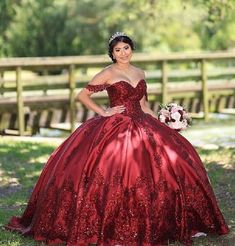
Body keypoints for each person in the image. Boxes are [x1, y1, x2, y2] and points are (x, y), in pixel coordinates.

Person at [5, 32, 229, 246]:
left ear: (132, 49)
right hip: (116, 125)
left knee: (174, 163)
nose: (123, 53)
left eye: (126, 48)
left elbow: (143, 105)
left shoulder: (140, 73)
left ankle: (175, 223)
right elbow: (82, 95)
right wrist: (104, 113)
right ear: (112, 53)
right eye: (118, 50)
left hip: (143, 122)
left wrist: (163, 121)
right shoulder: (108, 73)